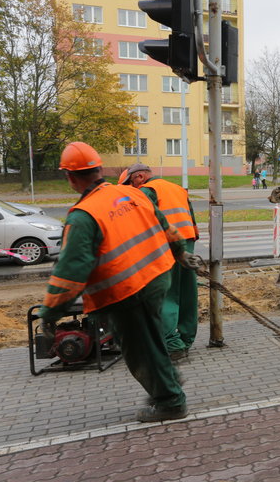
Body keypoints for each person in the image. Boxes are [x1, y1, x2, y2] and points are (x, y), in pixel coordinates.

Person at [39, 142, 202, 422]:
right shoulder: (130, 193)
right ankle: (169, 377)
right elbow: (165, 225)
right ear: (100, 169)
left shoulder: (83, 216)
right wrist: (181, 253)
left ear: (70, 177)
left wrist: (50, 312)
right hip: (156, 277)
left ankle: (170, 402)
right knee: (152, 338)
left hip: (126, 292)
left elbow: (70, 271)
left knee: (140, 350)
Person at [121, 163, 199, 362]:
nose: (131, 190)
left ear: (138, 177)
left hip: (166, 248)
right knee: (187, 294)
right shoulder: (177, 188)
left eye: (130, 184)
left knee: (166, 296)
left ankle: (173, 345)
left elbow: (140, 222)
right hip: (187, 245)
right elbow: (192, 219)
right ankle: (185, 340)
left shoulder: (147, 191)